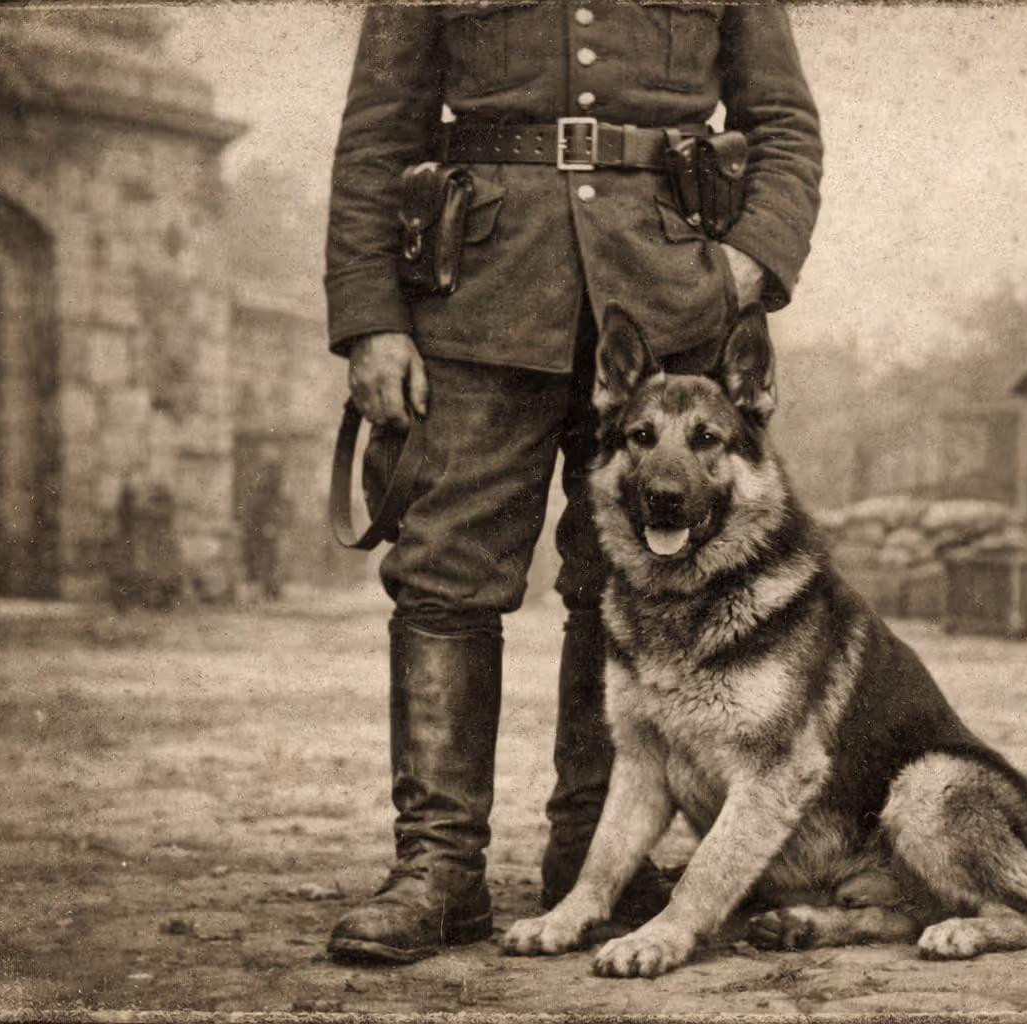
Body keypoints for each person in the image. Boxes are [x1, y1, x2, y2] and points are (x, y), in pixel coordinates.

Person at [324, 2, 822, 966]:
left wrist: (749, 260)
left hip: (667, 297)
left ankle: (593, 862)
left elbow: (785, 124)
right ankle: (437, 871)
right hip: (478, 297)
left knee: (627, 579)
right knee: (444, 575)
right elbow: (377, 133)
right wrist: (370, 317)